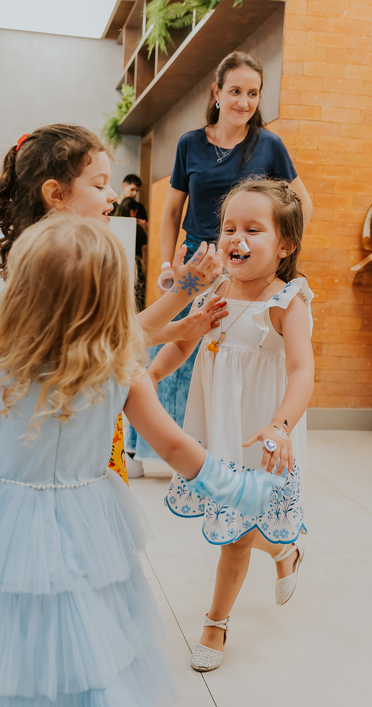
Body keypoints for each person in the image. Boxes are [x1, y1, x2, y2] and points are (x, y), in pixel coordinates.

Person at [0, 215, 282, 707]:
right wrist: (236, 486)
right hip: (89, 522)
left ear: (22, 291)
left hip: (4, 527)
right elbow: (177, 447)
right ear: (110, 299)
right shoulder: (121, 367)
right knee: (90, 639)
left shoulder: (1, 368)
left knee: (8, 641)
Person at [0, 123, 227, 481]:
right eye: (98, 184)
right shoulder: (54, 268)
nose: (112, 195)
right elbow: (108, 339)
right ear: (55, 194)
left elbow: (106, 339)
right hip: (66, 449)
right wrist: (184, 291)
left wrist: (180, 327)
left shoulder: (78, 255)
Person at [124, 51, 313, 476]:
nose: (243, 101)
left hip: (253, 266)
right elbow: (172, 211)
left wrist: (282, 254)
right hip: (200, 263)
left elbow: (302, 203)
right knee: (185, 344)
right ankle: (144, 446)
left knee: (226, 354)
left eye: (253, 93)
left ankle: (208, 445)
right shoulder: (190, 143)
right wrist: (169, 266)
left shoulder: (269, 144)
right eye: (235, 91)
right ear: (217, 92)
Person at [152, 179, 314, 673]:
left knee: (237, 534)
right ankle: (284, 548)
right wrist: (147, 376)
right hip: (220, 426)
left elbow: (302, 371)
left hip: (263, 433)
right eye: (228, 228)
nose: (236, 238)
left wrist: (280, 426)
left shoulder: (288, 301)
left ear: (285, 244)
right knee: (236, 518)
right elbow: (185, 341)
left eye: (253, 229)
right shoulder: (215, 287)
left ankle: (215, 623)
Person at [112, 173, 148, 310]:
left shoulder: (140, 208)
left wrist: (144, 225)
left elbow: (146, 235)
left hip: (134, 256)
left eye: (137, 191)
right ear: (123, 186)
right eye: (132, 189)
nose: (134, 194)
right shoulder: (111, 206)